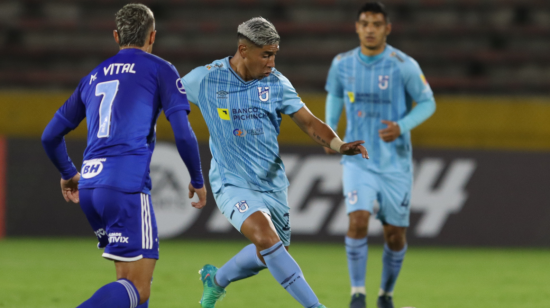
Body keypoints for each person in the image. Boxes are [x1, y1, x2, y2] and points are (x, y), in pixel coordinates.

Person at [181, 17, 368, 308]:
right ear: (243, 50)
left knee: (268, 253)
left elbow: (309, 122)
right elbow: (166, 99)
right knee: (267, 240)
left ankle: (215, 280)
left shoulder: (277, 83)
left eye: (274, 55)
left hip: (272, 184)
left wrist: (339, 144)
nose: (271, 62)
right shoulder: (205, 78)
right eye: (266, 55)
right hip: (232, 182)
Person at [41, 4, 207, 308]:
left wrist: (68, 174)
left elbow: (49, 136)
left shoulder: (92, 77)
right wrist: (197, 178)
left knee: (129, 282)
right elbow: (183, 133)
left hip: (91, 186)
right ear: (152, 36)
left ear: (116, 36)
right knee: (138, 287)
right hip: (126, 187)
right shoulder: (160, 69)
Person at [324, 2, 436, 308]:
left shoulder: (403, 65)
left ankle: (385, 295)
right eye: (365, 23)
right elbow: (334, 94)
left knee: (394, 234)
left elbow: (428, 102)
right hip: (358, 159)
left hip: (395, 162)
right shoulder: (342, 64)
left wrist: (402, 126)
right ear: (357, 27)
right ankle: (357, 295)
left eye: (376, 24)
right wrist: (330, 129)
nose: (370, 29)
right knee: (358, 220)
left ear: (387, 28)